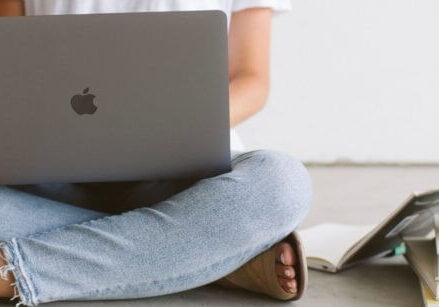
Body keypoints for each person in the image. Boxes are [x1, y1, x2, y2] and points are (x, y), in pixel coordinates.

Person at [0, 1, 312, 306]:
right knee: (209, 226)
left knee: (282, 184)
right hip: (49, 179)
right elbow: (10, 68)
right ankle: (212, 259)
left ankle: (11, 272)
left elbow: (250, 79)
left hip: (184, 180)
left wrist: (181, 130)